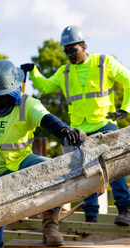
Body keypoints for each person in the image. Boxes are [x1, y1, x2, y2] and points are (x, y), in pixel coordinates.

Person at [0, 59, 83, 248]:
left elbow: (47, 119)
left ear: (13, 89)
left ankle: (50, 226)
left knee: (55, 170)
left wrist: (64, 130)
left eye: (2, 95)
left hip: (20, 163)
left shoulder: (28, 104)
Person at [25, 25, 130, 225]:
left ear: (83, 46)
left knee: (115, 166)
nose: (69, 54)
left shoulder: (103, 62)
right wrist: (34, 72)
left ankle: (125, 209)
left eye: (73, 50)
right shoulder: (64, 72)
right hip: (80, 130)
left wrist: (126, 108)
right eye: (66, 51)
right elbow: (45, 87)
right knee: (86, 171)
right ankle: (91, 215)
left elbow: (128, 80)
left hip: (104, 124)